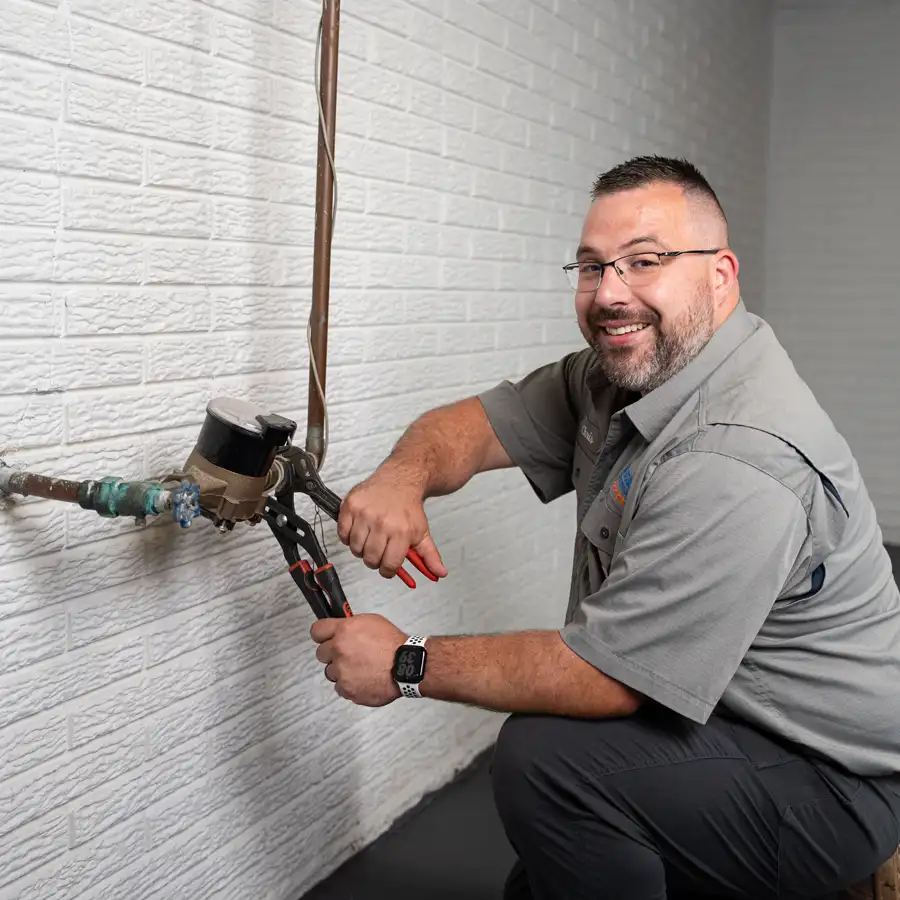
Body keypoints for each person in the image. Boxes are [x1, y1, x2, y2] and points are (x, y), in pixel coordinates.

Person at [309, 155, 900, 899]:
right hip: (721, 715)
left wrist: (405, 663)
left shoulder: (738, 453)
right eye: (591, 267)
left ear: (720, 276)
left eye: (644, 261)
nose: (610, 294)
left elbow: (608, 675)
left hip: (830, 780)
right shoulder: (629, 369)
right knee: (554, 862)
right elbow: (476, 426)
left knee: (549, 763)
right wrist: (403, 476)